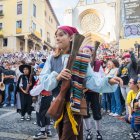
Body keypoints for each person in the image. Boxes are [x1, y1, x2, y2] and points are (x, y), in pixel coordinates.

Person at [39, 25, 122, 140]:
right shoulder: (51, 59)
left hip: (75, 104)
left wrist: (109, 81)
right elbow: (44, 82)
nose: (57, 38)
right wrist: (57, 77)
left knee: (68, 137)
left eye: (61, 35)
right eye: (56, 36)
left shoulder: (82, 58)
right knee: (62, 133)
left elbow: (91, 80)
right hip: (57, 104)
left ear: (72, 38)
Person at [82, 45, 103, 140]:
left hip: (94, 91)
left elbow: (101, 77)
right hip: (83, 92)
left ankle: (98, 132)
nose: (85, 52)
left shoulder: (97, 64)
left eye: (87, 51)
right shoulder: (80, 63)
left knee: (96, 112)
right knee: (85, 112)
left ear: (91, 52)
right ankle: (88, 131)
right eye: (83, 51)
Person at [31, 63, 53, 139]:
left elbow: (37, 89)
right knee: (46, 114)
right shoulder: (47, 76)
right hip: (48, 96)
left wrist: (32, 92)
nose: (38, 70)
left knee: (41, 114)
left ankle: (42, 132)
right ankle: (48, 130)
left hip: (44, 97)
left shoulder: (43, 77)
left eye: (40, 68)